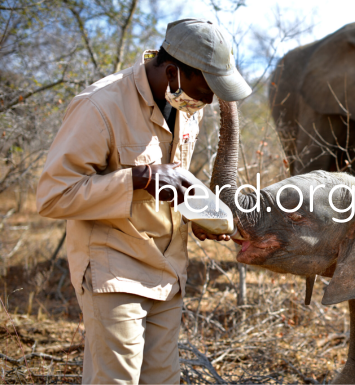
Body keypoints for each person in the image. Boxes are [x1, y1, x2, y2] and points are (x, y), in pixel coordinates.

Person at [36, 19, 251, 384]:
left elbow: (167, 185)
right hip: (114, 268)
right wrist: (140, 178)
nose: (211, 100)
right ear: (173, 72)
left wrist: (196, 217)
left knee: (162, 380)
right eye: (206, 89)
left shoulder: (183, 106)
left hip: (168, 270)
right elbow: (54, 195)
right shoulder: (100, 106)